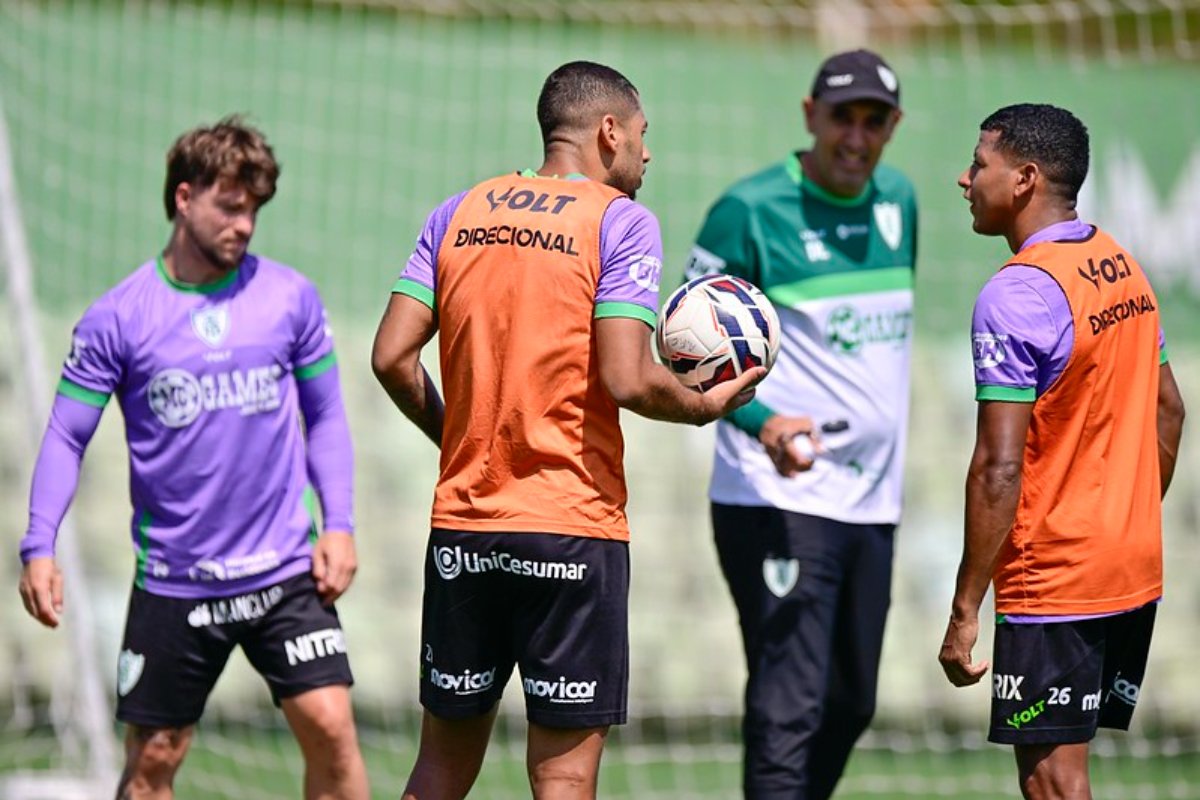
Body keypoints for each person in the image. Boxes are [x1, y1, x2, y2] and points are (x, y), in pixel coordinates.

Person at [371, 60, 763, 800]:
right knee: (562, 777)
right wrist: (705, 404)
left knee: (441, 768)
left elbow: (391, 356)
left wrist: (463, 442)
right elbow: (627, 376)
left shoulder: (458, 209)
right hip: (571, 529)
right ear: (608, 132)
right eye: (644, 136)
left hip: (466, 527)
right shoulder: (621, 221)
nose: (648, 155)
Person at [16, 116, 369, 800]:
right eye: (230, 208)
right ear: (184, 199)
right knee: (154, 762)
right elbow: (66, 436)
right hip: (177, 580)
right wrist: (39, 544)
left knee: (331, 726)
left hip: (285, 569)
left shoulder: (289, 298)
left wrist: (340, 523)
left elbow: (325, 415)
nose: (245, 226)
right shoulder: (117, 318)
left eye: (254, 212)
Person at [682, 49, 916, 799]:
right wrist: (763, 423)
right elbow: (682, 354)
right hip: (776, 498)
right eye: (842, 117)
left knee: (851, 703)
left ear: (894, 126)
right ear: (810, 114)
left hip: (873, 504)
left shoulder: (901, 202)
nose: (856, 136)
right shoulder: (747, 210)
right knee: (791, 706)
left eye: (873, 120)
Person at [938, 103, 1185, 800]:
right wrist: (1122, 516)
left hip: (1057, 576)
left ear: (1024, 178)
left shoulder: (1016, 294)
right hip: (1130, 563)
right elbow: (1171, 410)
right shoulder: (1119, 262)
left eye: (979, 164)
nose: (965, 177)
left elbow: (999, 467)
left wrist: (965, 609)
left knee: (1052, 779)